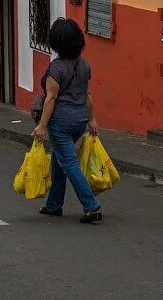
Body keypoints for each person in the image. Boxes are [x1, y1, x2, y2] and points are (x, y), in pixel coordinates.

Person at [32, 18, 102, 224]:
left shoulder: (56, 68)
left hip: (60, 122)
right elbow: (88, 94)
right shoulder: (84, 65)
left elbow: (51, 98)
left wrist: (42, 125)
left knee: (69, 162)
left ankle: (91, 205)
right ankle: (54, 204)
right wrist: (92, 119)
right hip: (80, 120)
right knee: (58, 159)